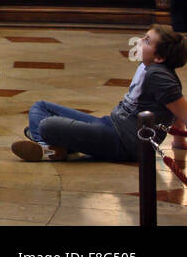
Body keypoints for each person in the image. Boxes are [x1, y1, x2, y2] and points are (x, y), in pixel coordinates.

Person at [13, 26, 187, 163]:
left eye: (147, 41)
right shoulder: (148, 66)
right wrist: (179, 142)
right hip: (110, 124)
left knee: (47, 126)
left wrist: (181, 140)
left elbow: (180, 109)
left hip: (125, 142)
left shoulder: (159, 75)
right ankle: (55, 147)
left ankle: (47, 148)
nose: (140, 40)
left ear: (159, 57)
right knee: (40, 107)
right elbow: (171, 106)